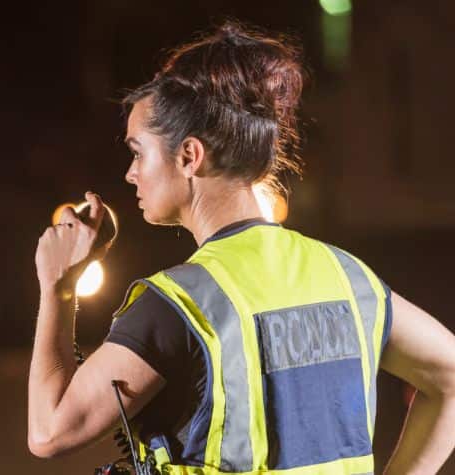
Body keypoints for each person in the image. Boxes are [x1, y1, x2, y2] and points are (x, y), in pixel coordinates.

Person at [27, 21, 455, 474]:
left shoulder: (180, 304)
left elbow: (50, 431)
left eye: (138, 153)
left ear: (189, 156)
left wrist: (58, 286)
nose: (131, 173)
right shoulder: (349, 279)